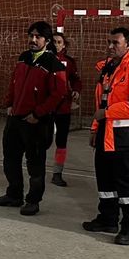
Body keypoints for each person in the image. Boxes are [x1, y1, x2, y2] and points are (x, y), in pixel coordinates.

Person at [84, 27, 129, 246]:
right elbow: (102, 101)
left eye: (115, 42)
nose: (110, 46)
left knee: (126, 183)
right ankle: (108, 219)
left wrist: (105, 114)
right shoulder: (108, 69)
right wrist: (96, 128)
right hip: (107, 132)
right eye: (109, 42)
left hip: (126, 136)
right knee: (105, 180)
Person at [0, 21, 68, 216]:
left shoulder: (54, 65)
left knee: (35, 164)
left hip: (36, 123)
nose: (33, 40)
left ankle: (33, 200)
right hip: (15, 119)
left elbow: (58, 94)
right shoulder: (23, 58)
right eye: (31, 36)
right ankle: (14, 194)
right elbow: (14, 83)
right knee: (10, 159)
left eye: (38, 37)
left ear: (47, 40)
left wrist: (38, 114)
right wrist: (9, 104)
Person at [50, 32, 83, 187]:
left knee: (61, 141)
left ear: (64, 45)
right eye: (54, 42)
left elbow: (75, 79)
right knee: (40, 140)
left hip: (63, 108)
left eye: (59, 42)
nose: (56, 44)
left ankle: (57, 173)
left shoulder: (69, 62)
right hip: (46, 108)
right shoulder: (43, 60)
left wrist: (76, 90)